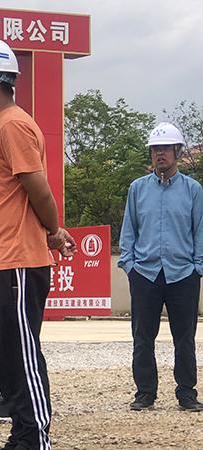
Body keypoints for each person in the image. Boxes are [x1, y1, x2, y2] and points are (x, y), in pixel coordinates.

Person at [0, 37, 75, 450]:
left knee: (21, 353)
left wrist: (53, 229)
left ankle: (35, 436)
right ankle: (22, 433)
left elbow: (38, 189)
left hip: (17, 262)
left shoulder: (14, 125)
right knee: (6, 354)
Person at [118, 122, 203, 412]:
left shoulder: (193, 190)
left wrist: (197, 267)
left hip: (183, 274)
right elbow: (129, 230)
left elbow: (199, 231)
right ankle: (145, 393)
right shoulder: (137, 189)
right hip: (145, 273)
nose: (160, 154)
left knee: (184, 337)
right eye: (155, 149)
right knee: (142, 337)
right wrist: (129, 265)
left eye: (165, 148)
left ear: (177, 151)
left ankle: (186, 393)